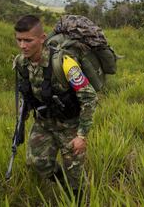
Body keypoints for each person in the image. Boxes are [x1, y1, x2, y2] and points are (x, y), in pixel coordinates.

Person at [13, 15, 97, 197]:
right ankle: (62, 183)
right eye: (18, 40)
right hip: (44, 123)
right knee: (36, 162)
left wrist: (82, 135)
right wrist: (22, 115)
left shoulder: (64, 62)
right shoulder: (21, 62)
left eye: (28, 40)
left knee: (76, 177)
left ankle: (79, 199)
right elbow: (24, 92)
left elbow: (89, 97)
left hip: (70, 126)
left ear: (42, 38)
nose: (22, 46)